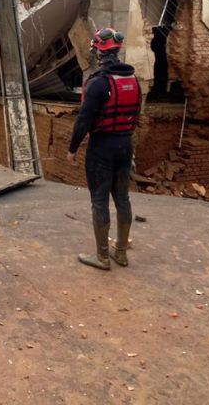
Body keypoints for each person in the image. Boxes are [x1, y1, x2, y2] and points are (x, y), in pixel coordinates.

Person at [67, 28, 143, 270]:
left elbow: (84, 121)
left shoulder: (98, 83)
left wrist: (72, 149)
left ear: (98, 52)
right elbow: (136, 115)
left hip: (102, 147)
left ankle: (101, 257)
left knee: (99, 201)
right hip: (125, 144)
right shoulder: (133, 81)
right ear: (117, 51)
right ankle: (120, 253)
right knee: (122, 198)